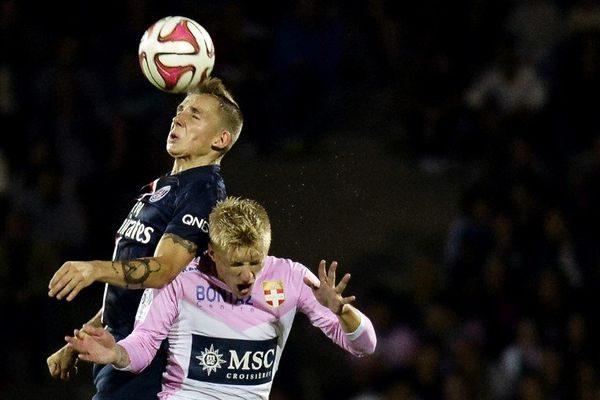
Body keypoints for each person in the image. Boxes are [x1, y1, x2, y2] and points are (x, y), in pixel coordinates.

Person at [46, 77, 244, 400]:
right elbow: (128, 284)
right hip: (117, 355)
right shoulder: (160, 188)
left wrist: (94, 269)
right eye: (180, 109)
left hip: (155, 364)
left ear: (221, 139)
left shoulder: (204, 190)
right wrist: (83, 336)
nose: (177, 117)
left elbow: (165, 270)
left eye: (194, 115)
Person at [65, 196, 377, 399]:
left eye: (256, 261)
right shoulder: (180, 281)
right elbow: (145, 343)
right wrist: (116, 353)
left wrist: (341, 311)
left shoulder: (291, 277)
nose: (248, 275)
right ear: (213, 253)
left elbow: (364, 346)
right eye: (237, 264)